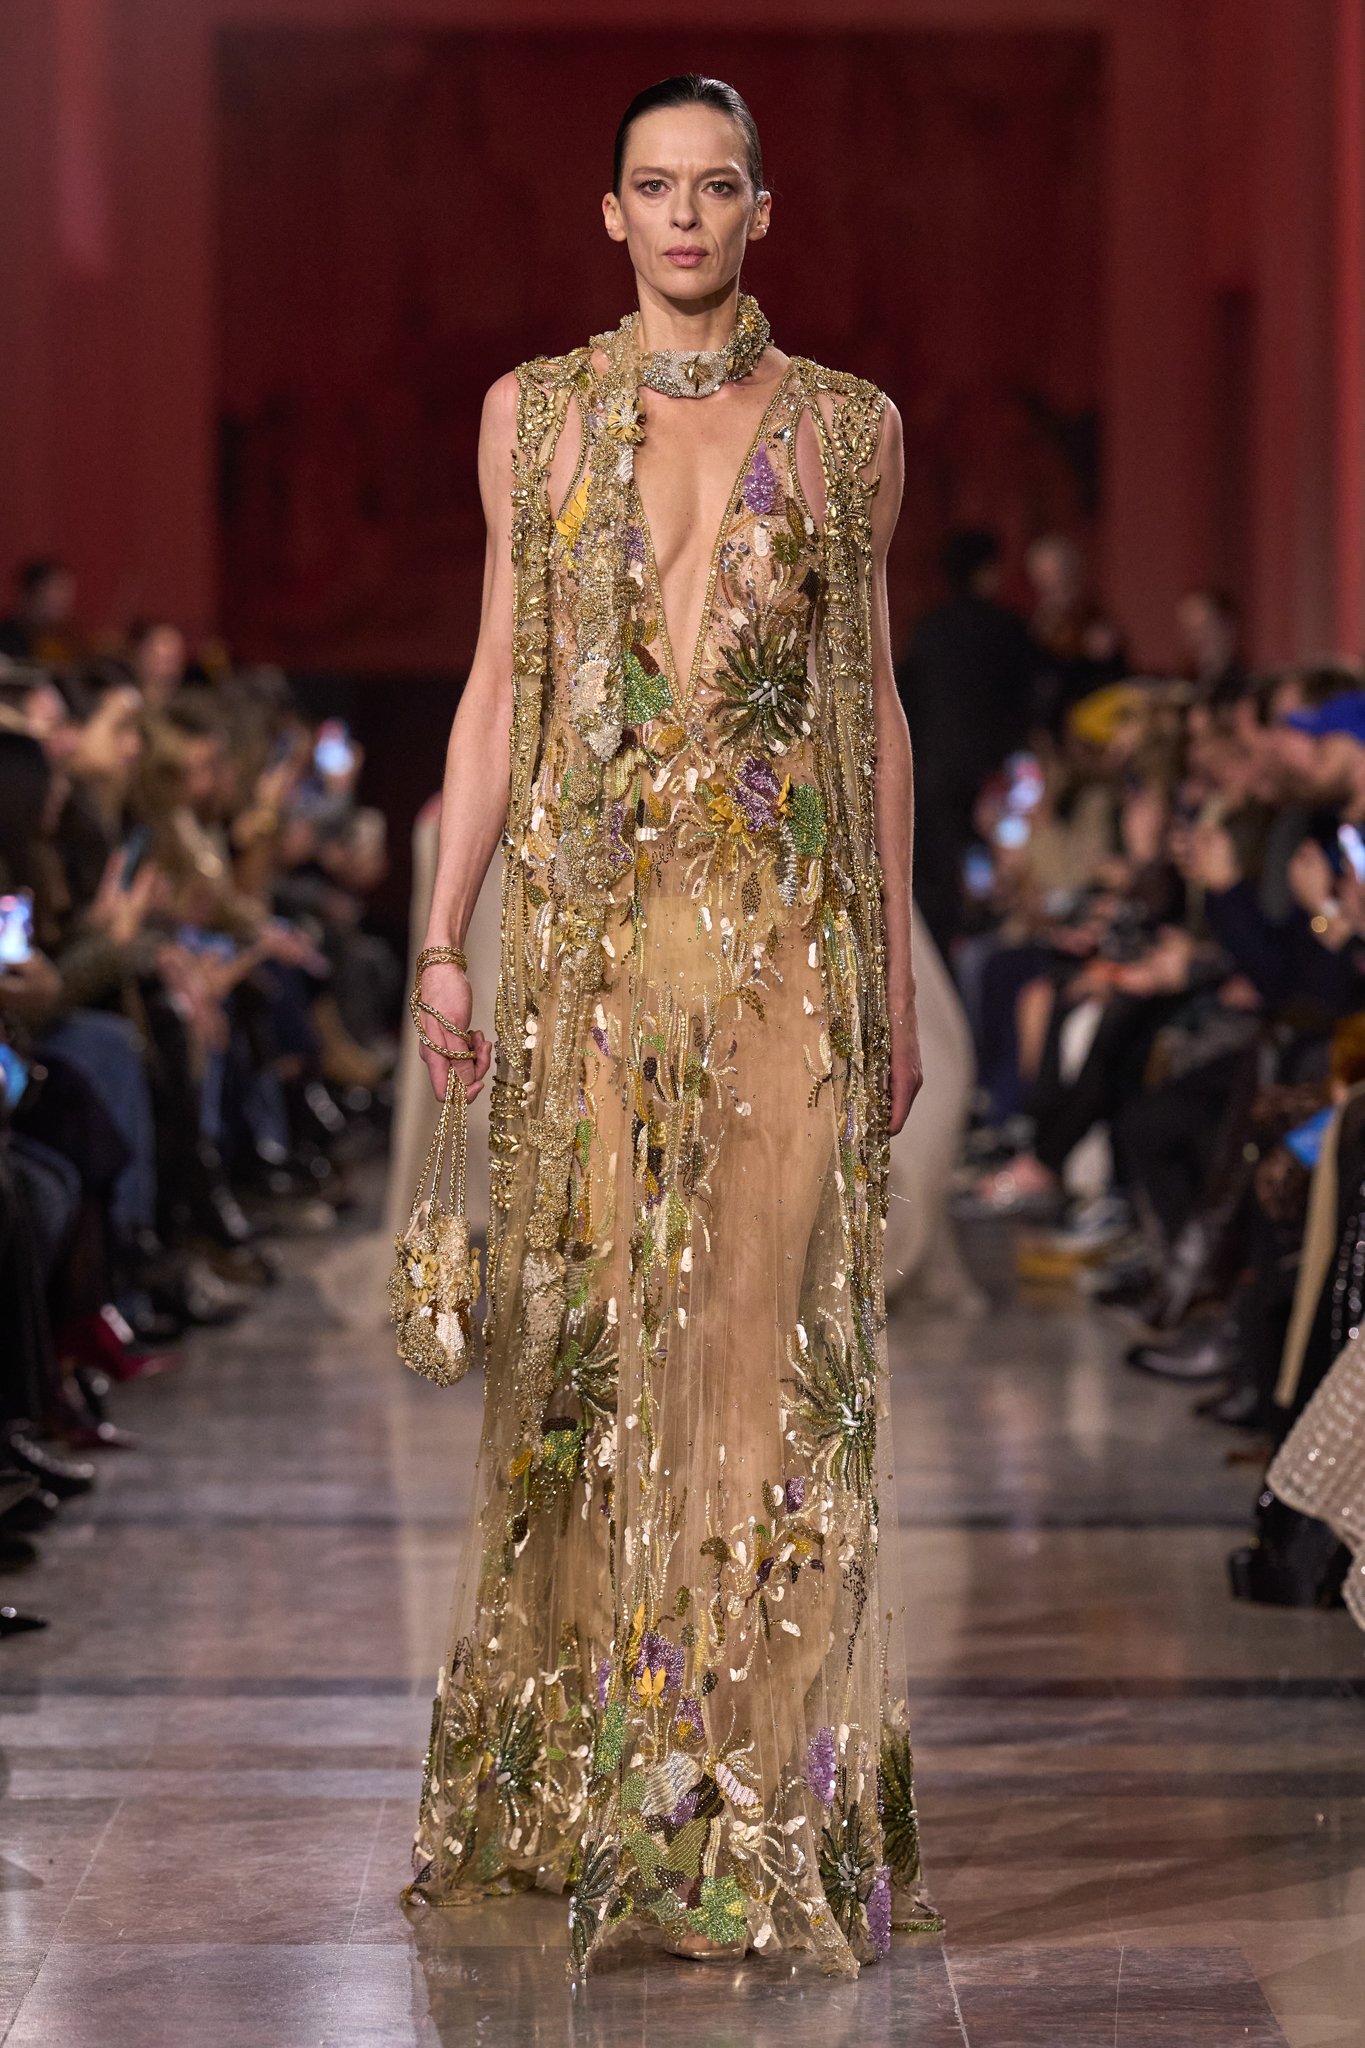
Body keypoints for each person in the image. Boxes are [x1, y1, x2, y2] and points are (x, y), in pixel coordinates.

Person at [401, 73, 935, 1978]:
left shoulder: (853, 428)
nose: (686, 215)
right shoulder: (533, 414)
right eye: (655, 185)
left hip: (787, 951)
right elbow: (498, 688)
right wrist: (445, 935)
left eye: (717, 186)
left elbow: (869, 711)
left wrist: (888, 970)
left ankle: (754, 1805)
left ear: (762, 210)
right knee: (601, 1363)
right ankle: (603, 1785)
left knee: (764, 1359)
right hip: (596, 961)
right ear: (610, 211)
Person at [898, 526, 1037, 958]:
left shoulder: (928, 631)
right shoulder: (1007, 630)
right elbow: (1027, 705)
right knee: (997, 891)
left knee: (940, 891)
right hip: (994, 784)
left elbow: (905, 703)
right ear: (987, 572)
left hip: (934, 779)